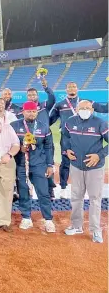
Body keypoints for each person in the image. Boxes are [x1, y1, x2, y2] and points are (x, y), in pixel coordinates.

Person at [50, 82, 108, 199]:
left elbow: (105, 109)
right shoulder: (60, 104)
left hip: (86, 135)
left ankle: (87, 188)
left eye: (74, 86)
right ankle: (63, 188)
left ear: (77, 89)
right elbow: (50, 119)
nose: (72, 88)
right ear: (66, 89)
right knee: (65, 162)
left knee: (86, 159)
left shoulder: (86, 102)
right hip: (67, 136)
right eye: (69, 86)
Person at [62, 100, 108, 243]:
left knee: (95, 199)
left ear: (93, 110)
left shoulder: (100, 123)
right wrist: (66, 150)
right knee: (76, 197)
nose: (85, 110)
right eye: (82, 108)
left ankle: (95, 231)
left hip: (95, 167)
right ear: (76, 109)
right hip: (76, 166)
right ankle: (76, 226)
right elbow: (65, 137)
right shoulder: (70, 122)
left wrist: (99, 155)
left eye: (88, 108)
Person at [11, 102, 56, 233]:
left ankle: (48, 219)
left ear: (37, 112)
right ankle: (26, 217)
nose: (31, 113)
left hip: (39, 165)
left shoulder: (44, 127)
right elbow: (8, 144)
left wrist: (49, 165)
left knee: (43, 192)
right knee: (23, 191)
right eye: (28, 111)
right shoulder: (14, 126)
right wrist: (20, 149)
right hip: (21, 164)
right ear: (23, 112)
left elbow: (49, 147)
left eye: (34, 111)